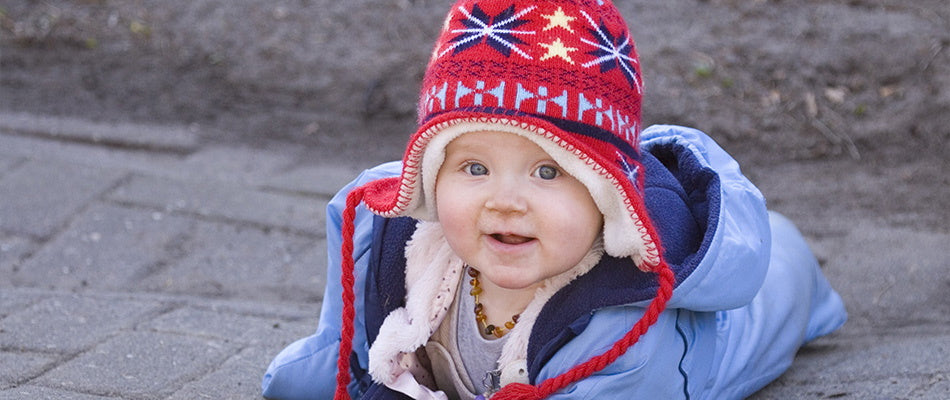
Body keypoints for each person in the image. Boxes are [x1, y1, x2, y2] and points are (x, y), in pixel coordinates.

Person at [261, 0, 847, 399]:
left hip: (751, 308)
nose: (506, 201)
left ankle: (795, 257)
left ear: (606, 193)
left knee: (783, 277)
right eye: (473, 167)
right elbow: (352, 362)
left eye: (547, 171)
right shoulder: (410, 255)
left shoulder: (622, 328)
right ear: (430, 176)